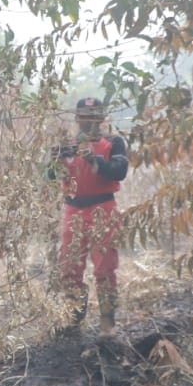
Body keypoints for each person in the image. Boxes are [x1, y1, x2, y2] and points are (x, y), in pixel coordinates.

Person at [50, 96, 129, 336]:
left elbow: (120, 171)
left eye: (94, 117)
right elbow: (51, 176)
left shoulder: (113, 142)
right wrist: (54, 159)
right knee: (69, 267)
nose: (89, 122)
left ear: (102, 119)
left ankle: (108, 323)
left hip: (103, 209)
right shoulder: (67, 144)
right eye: (85, 117)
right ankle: (73, 321)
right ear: (77, 119)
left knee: (105, 269)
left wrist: (93, 159)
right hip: (73, 210)